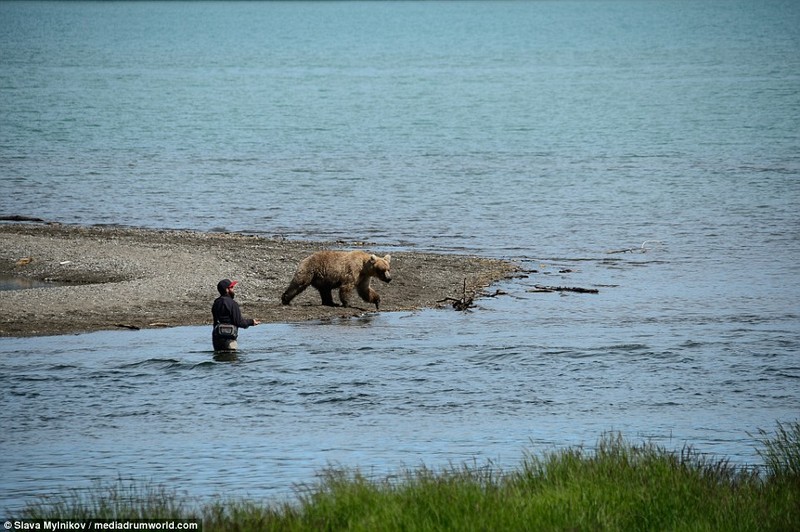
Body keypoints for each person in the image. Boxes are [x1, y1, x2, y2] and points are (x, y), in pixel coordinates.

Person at [212, 279, 260, 351]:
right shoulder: (233, 304)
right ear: (227, 290)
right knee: (231, 359)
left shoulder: (216, 303)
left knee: (219, 359)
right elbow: (239, 322)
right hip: (229, 338)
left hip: (217, 338)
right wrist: (251, 322)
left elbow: (215, 323)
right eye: (231, 287)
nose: (233, 289)